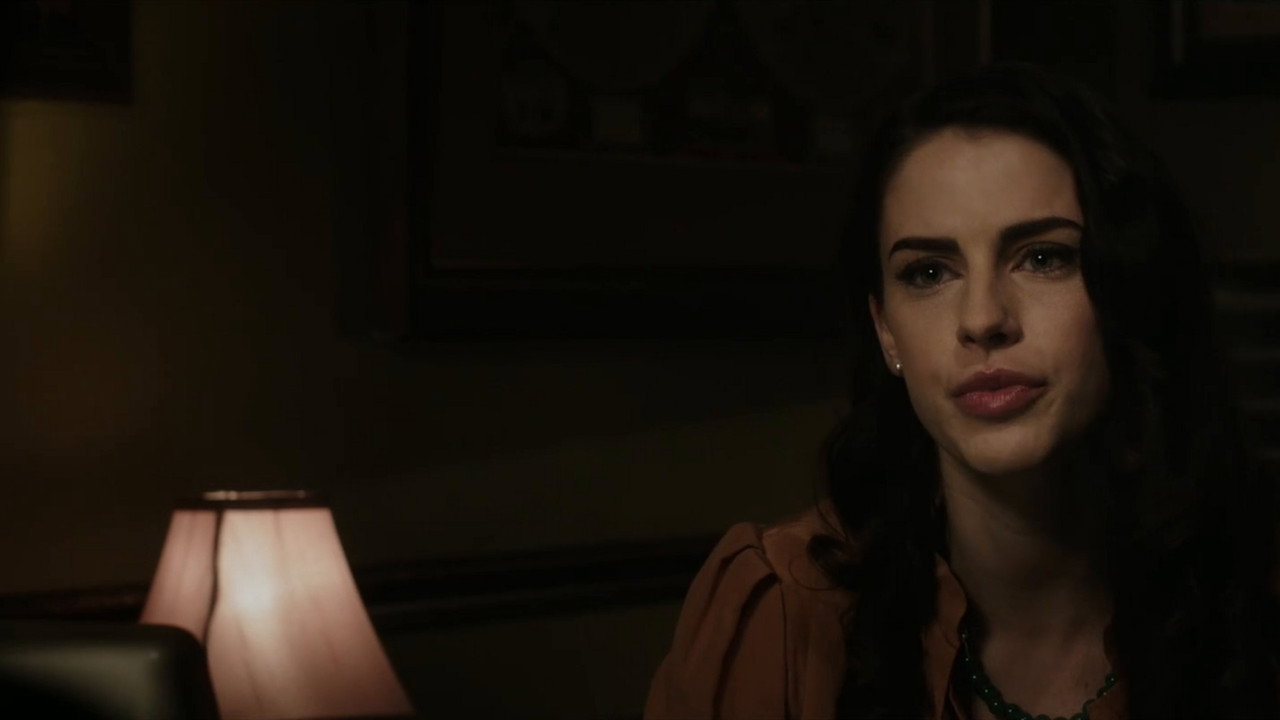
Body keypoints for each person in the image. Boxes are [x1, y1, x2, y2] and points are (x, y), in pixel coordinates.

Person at [644, 62, 1279, 720]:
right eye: (928, 272)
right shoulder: (781, 615)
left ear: (1128, 288)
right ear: (886, 330)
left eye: (1042, 258)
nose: (982, 319)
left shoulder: (1255, 599)